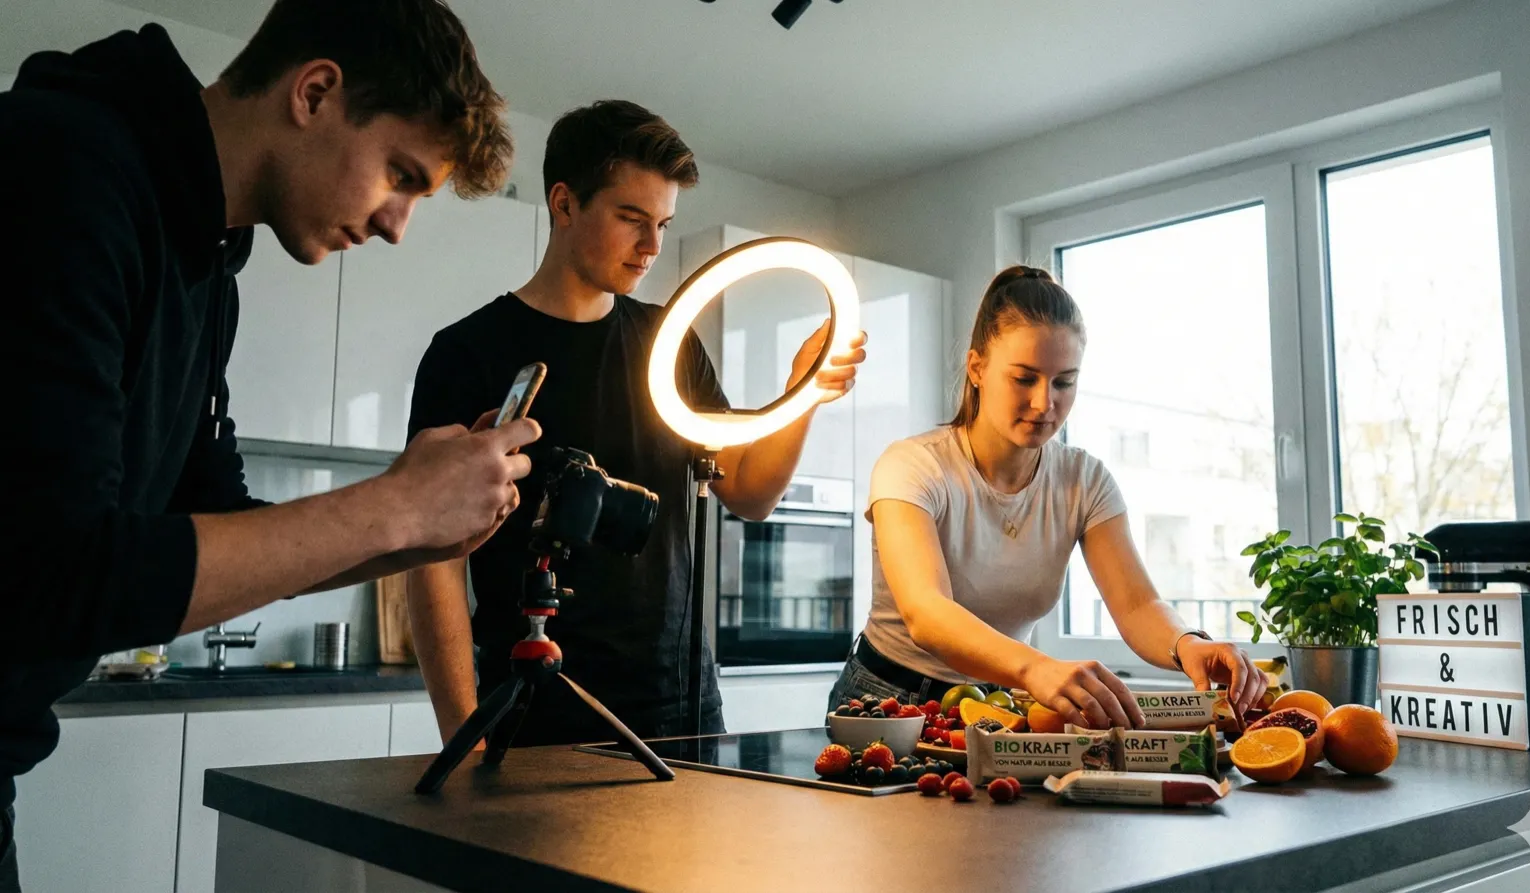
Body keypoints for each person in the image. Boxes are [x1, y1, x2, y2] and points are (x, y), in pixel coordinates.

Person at [0, 2, 529, 887]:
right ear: (316, 92)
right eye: (400, 174)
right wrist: (392, 504)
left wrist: (408, 534)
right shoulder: (63, 165)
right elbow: (57, 569)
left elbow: (216, 522)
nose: (398, 224)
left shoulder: (211, 265)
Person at [405, 99, 868, 749]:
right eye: (631, 219)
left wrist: (806, 388)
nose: (653, 246)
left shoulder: (670, 344)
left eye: (663, 223)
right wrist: (462, 734)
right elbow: (432, 563)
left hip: (681, 708)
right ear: (564, 203)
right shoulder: (468, 354)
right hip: (536, 710)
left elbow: (752, 492)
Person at [832, 265, 1269, 729]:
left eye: (1064, 382)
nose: (1045, 403)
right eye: (1024, 379)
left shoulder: (1084, 479)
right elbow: (927, 611)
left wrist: (1187, 645)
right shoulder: (913, 465)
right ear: (977, 368)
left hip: (1001, 704)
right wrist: (1034, 668)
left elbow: (1138, 605)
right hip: (887, 701)